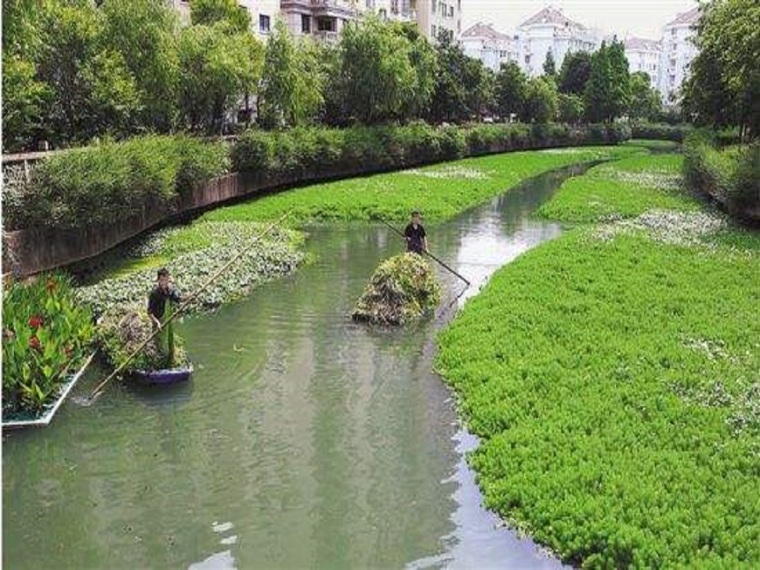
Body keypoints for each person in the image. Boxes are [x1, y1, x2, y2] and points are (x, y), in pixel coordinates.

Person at [148, 268, 181, 368]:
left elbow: (178, 299)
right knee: (162, 350)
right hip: (159, 324)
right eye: (162, 280)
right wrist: (157, 322)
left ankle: (170, 365)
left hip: (168, 322)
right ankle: (158, 367)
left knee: (171, 346)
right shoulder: (154, 294)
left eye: (166, 280)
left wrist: (190, 297)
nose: (164, 283)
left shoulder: (169, 290)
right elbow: (149, 312)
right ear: (158, 280)